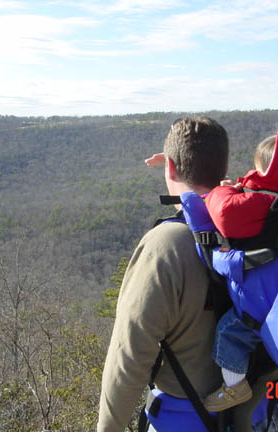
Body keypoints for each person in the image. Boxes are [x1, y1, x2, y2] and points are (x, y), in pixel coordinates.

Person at [97, 116, 229, 432]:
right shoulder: (252, 225)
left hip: (187, 418)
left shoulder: (167, 245)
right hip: (253, 413)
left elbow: (129, 358)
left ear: (169, 167)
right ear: (222, 169)